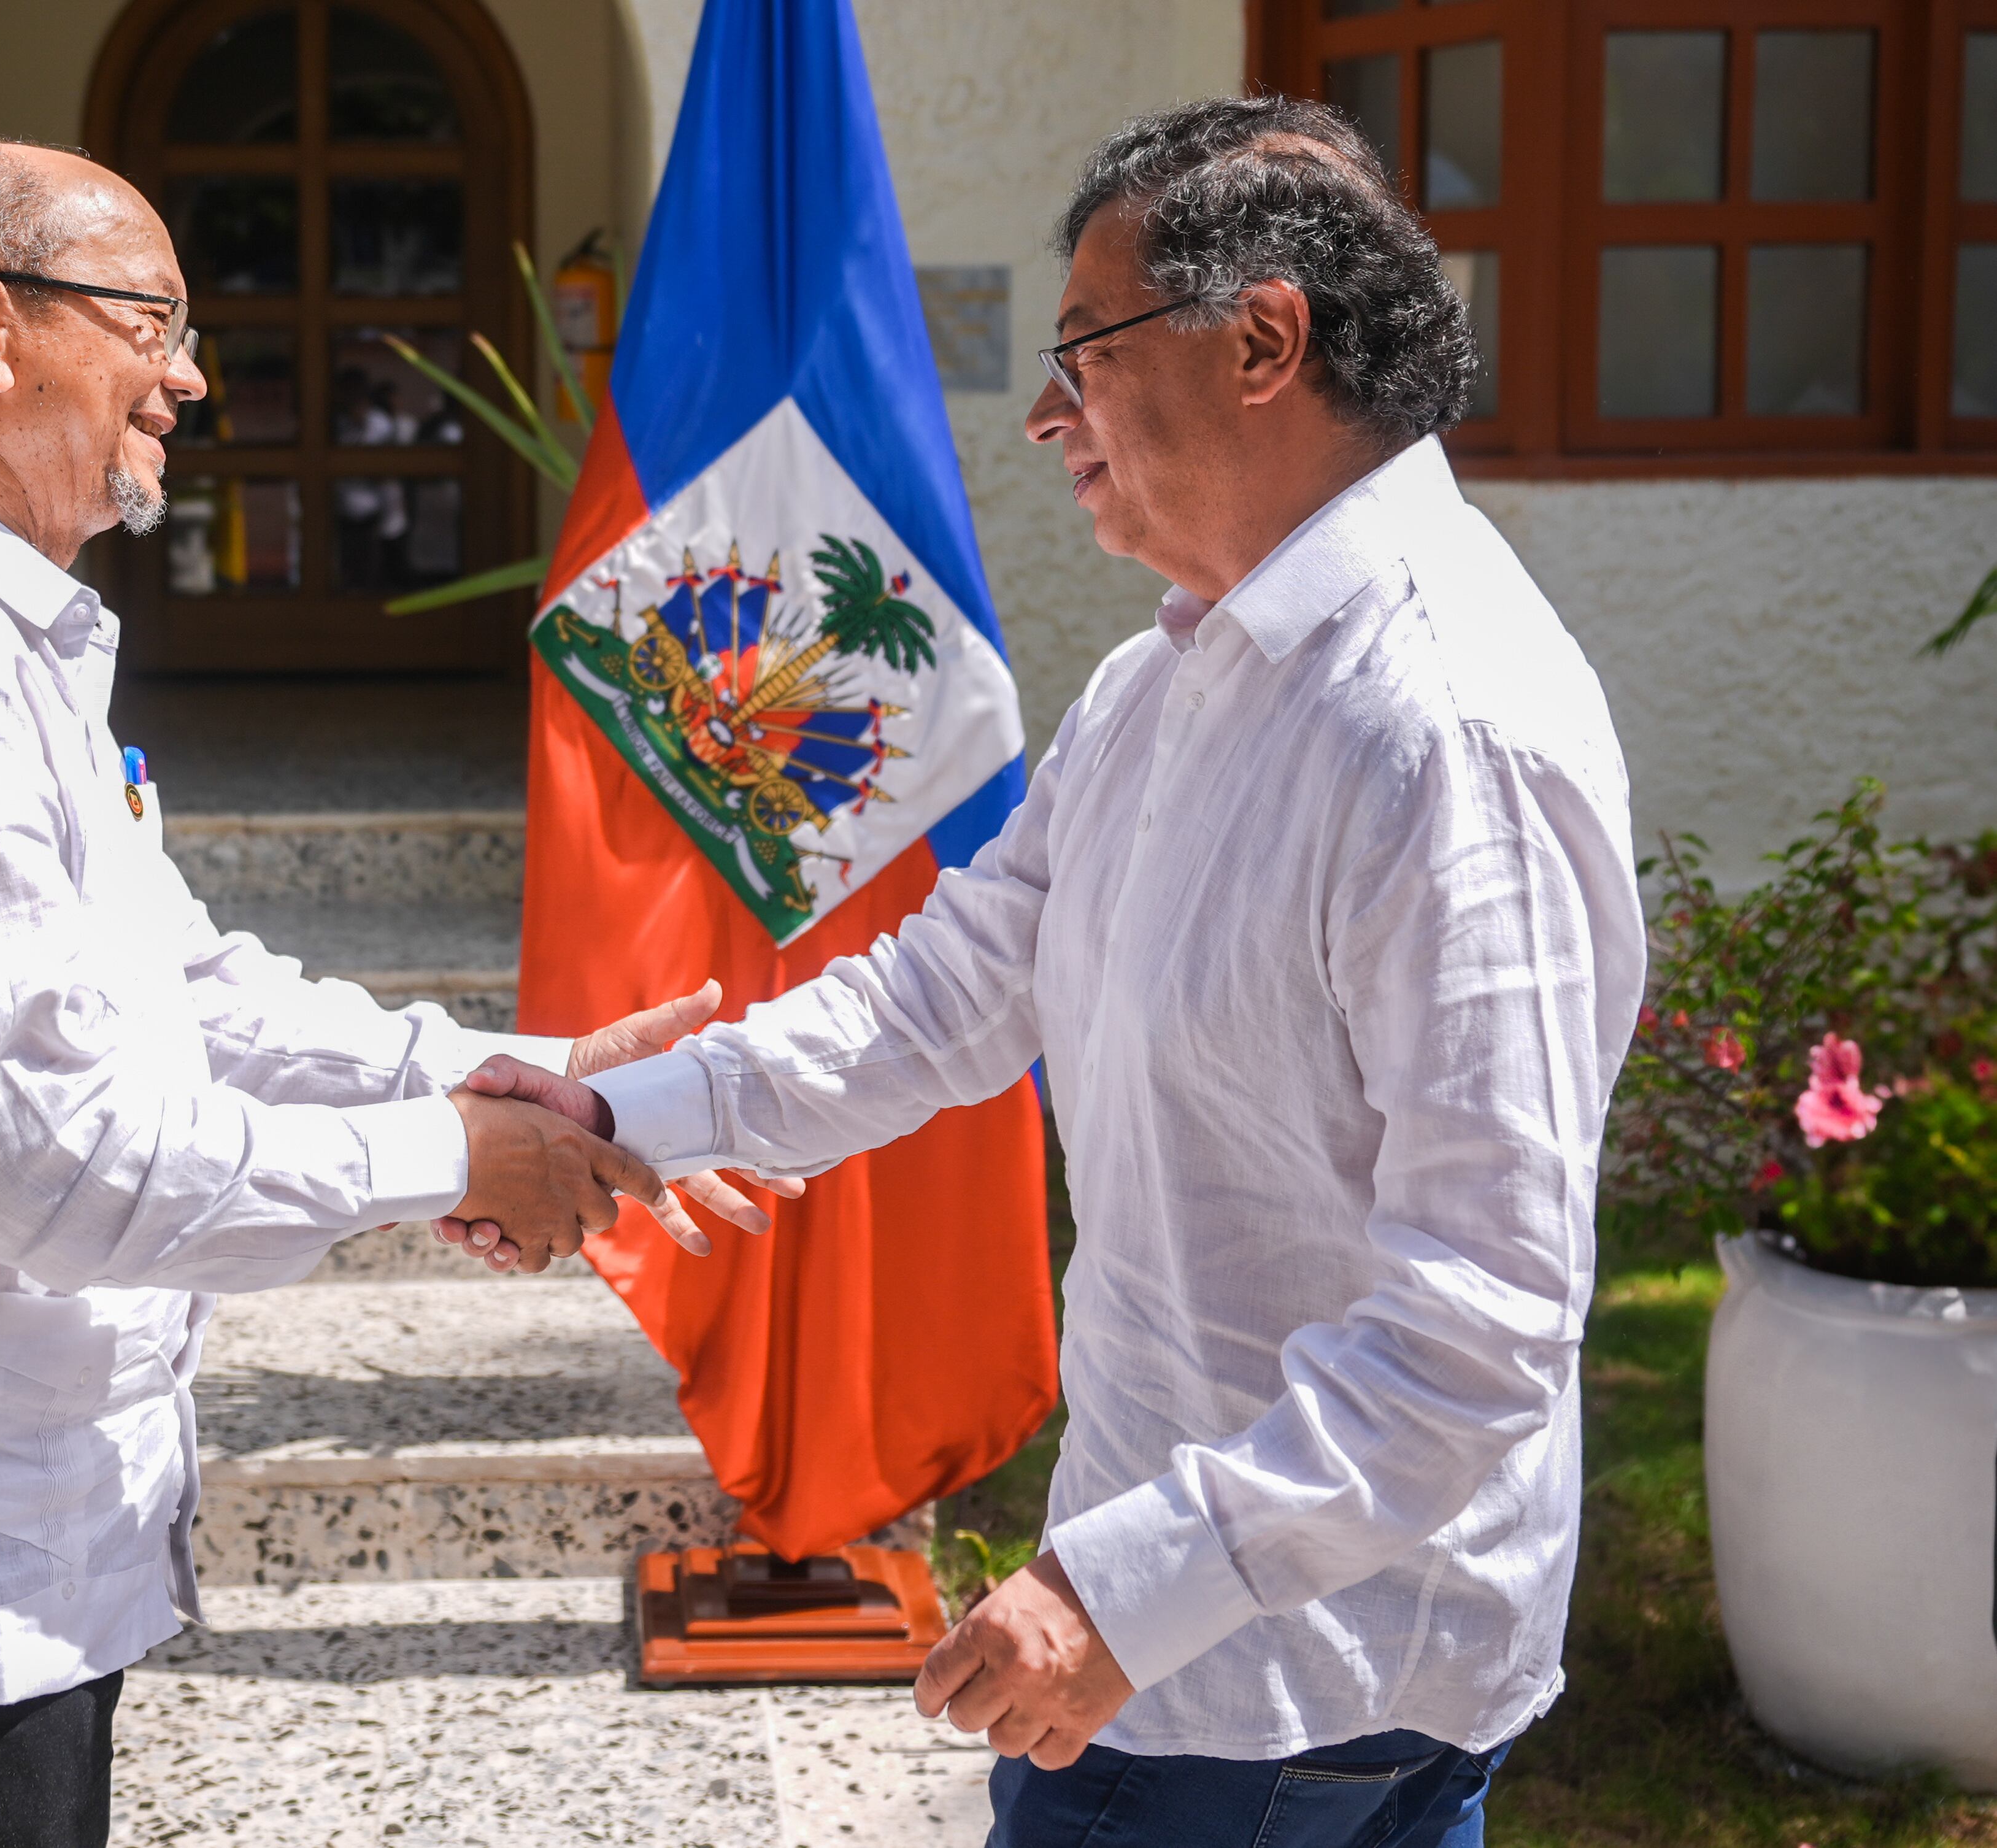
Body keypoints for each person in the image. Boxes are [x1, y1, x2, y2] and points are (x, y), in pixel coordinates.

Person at [457, 96, 1646, 1848]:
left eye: (1083, 351)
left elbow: (1479, 1326)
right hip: (1188, 1663)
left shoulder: (1439, 731)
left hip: (1294, 1689)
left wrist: (1123, 1593)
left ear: (1263, 341)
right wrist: (612, 1113)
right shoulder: (1171, 680)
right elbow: (938, 996)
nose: (1042, 414)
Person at [0, 137, 779, 1848]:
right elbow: (69, 1169)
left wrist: (512, 1072)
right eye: (153, 319)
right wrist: (461, 1159)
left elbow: (191, 988)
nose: (189, 375)